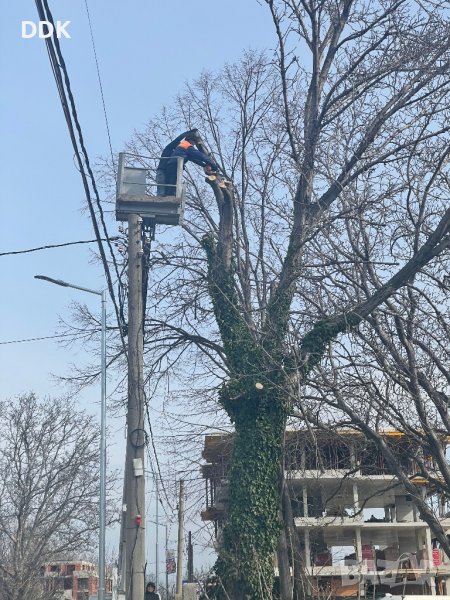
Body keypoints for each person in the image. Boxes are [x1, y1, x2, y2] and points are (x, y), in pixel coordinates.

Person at [159, 131, 219, 196]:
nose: (194, 144)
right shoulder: (187, 146)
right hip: (175, 166)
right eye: (194, 142)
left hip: (171, 165)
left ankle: (169, 196)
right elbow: (200, 156)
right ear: (191, 140)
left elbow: (193, 158)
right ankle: (170, 198)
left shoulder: (181, 146)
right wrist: (213, 165)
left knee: (170, 185)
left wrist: (204, 165)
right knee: (173, 185)